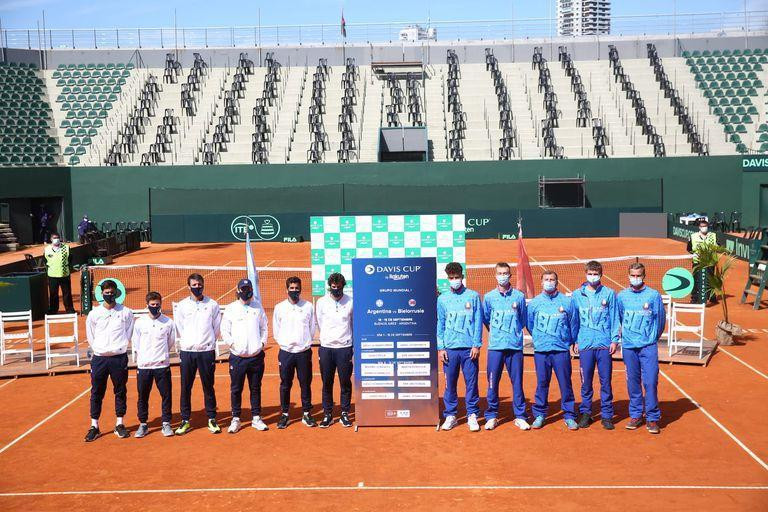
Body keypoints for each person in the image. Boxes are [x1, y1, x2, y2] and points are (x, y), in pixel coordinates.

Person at [527, 271, 580, 431]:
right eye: (546, 280)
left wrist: (571, 341)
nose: (549, 282)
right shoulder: (535, 303)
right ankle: (540, 414)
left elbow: (573, 323)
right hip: (542, 351)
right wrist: (540, 338)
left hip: (561, 350)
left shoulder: (567, 302)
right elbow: (530, 325)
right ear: (541, 282)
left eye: (552, 280)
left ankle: (569, 415)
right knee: (542, 383)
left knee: (565, 383)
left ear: (557, 282)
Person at [617, 262, 666, 435]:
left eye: (638, 275)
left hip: (648, 347)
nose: (635, 278)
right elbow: (620, 318)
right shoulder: (621, 296)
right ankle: (636, 414)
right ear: (628, 276)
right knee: (633, 382)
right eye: (633, 275)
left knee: (651, 381)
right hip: (629, 347)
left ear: (644, 276)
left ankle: (652, 418)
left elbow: (660, 320)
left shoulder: (653, 296)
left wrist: (652, 338)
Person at [482, 262, 530, 431]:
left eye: (505, 273)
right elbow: (486, 319)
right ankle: (492, 415)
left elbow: (523, 319)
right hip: (495, 347)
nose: (503, 276)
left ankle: (520, 416)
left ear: (510, 276)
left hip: (515, 347)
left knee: (517, 383)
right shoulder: (488, 297)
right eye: (500, 273)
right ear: (495, 275)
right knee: (492, 383)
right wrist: (497, 333)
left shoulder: (518, 296)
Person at [84, 280, 134, 442]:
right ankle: (94, 426)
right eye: (106, 293)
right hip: (99, 359)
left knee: (120, 390)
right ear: (102, 294)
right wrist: (100, 348)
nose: (109, 295)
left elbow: (129, 332)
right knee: (97, 392)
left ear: (116, 293)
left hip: (119, 358)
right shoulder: (94, 314)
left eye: (112, 292)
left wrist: (119, 347)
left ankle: (119, 423)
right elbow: (90, 335)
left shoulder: (126, 312)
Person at [572, 261, 619, 430]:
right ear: (585, 274)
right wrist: (575, 340)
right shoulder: (577, 295)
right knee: (586, 382)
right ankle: (586, 413)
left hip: (604, 345)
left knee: (605, 381)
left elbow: (614, 318)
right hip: (585, 345)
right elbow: (574, 320)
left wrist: (614, 340)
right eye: (590, 273)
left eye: (595, 273)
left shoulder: (609, 293)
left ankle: (606, 415)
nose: (593, 276)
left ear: (601, 275)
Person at [437, 262, 483, 432]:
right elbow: (440, 324)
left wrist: (476, 345)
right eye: (451, 278)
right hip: (449, 349)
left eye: (457, 277)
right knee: (450, 384)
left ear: (462, 277)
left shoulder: (473, 296)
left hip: (469, 349)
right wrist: (441, 348)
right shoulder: (442, 299)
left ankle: (472, 414)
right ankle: (450, 415)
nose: (454, 280)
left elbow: (478, 321)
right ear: (448, 278)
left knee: (471, 383)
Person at [174, 273, 222, 435]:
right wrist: (189, 341)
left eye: (199, 284)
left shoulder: (213, 305)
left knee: (208, 386)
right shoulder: (181, 306)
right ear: (188, 286)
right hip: (187, 352)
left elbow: (216, 328)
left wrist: (207, 342)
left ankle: (212, 418)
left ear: (203, 285)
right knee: (185, 387)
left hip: (206, 352)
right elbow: (179, 327)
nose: (197, 287)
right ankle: (185, 420)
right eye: (194, 285)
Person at [221, 279, 269, 434]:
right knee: (236, 388)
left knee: (255, 388)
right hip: (238, 357)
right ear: (238, 290)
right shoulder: (231, 309)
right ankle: (236, 418)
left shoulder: (258, 307)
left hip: (256, 356)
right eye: (243, 288)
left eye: (248, 288)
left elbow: (264, 328)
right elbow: (224, 330)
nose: (245, 291)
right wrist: (233, 345)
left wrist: (261, 344)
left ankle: (256, 417)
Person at [273, 276, 318, 429]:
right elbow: (276, 329)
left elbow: (312, 328)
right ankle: (285, 414)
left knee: (305, 384)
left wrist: (305, 343)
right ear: (287, 290)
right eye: (291, 288)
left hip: (303, 352)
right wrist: (285, 343)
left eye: (296, 288)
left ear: (300, 289)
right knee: (285, 384)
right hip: (286, 352)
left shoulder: (308, 306)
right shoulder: (279, 307)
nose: (294, 291)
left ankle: (306, 413)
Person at [132, 291, 175, 438]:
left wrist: (162, 355)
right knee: (143, 396)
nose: (155, 307)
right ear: (147, 305)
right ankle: (143, 424)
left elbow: (170, 342)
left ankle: (166, 423)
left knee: (166, 395)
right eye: (152, 305)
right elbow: (136, 343)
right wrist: (143, 357)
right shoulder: (139, 322)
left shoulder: (168, 322)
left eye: (157, 305)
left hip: (162, 366)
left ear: (161, 305)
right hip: (144, 366)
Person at [316, 273, 353, 428]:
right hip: (326, 348)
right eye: (333, 287)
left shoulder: (351, 301)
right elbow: (319, 322)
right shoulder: (321, 302)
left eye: (338, 287)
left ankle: (344, 413)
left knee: (345, 382)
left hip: (344, 348)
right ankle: (328, 414)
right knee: (327, 382)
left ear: (343, 286)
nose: (336, 289)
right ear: (329, 286)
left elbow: (354, 323)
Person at [44, 232, 76, 315]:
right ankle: (53, 310)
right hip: (52, 275)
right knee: (53, 294)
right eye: (54, 238)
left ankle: (69, 309)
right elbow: (45, 261)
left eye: (57, 237)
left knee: (67, 293)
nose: (56, 239)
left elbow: (70, 259)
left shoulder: (66, 247)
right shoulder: (47, 249)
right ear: (51, 239)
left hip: (64, 274)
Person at [688, 219, 718, 304]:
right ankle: (695, 298)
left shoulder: (713, 236)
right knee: (696, 280)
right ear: (699, 227)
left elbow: (717, 246)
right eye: (702, 226)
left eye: (705, 226)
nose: (704, 228)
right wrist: (695, 254)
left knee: (710, 279)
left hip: (710, 262)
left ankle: (711, 296)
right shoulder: (693, 236)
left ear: (708, 227)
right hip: (697, 262)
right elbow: (689, 248)